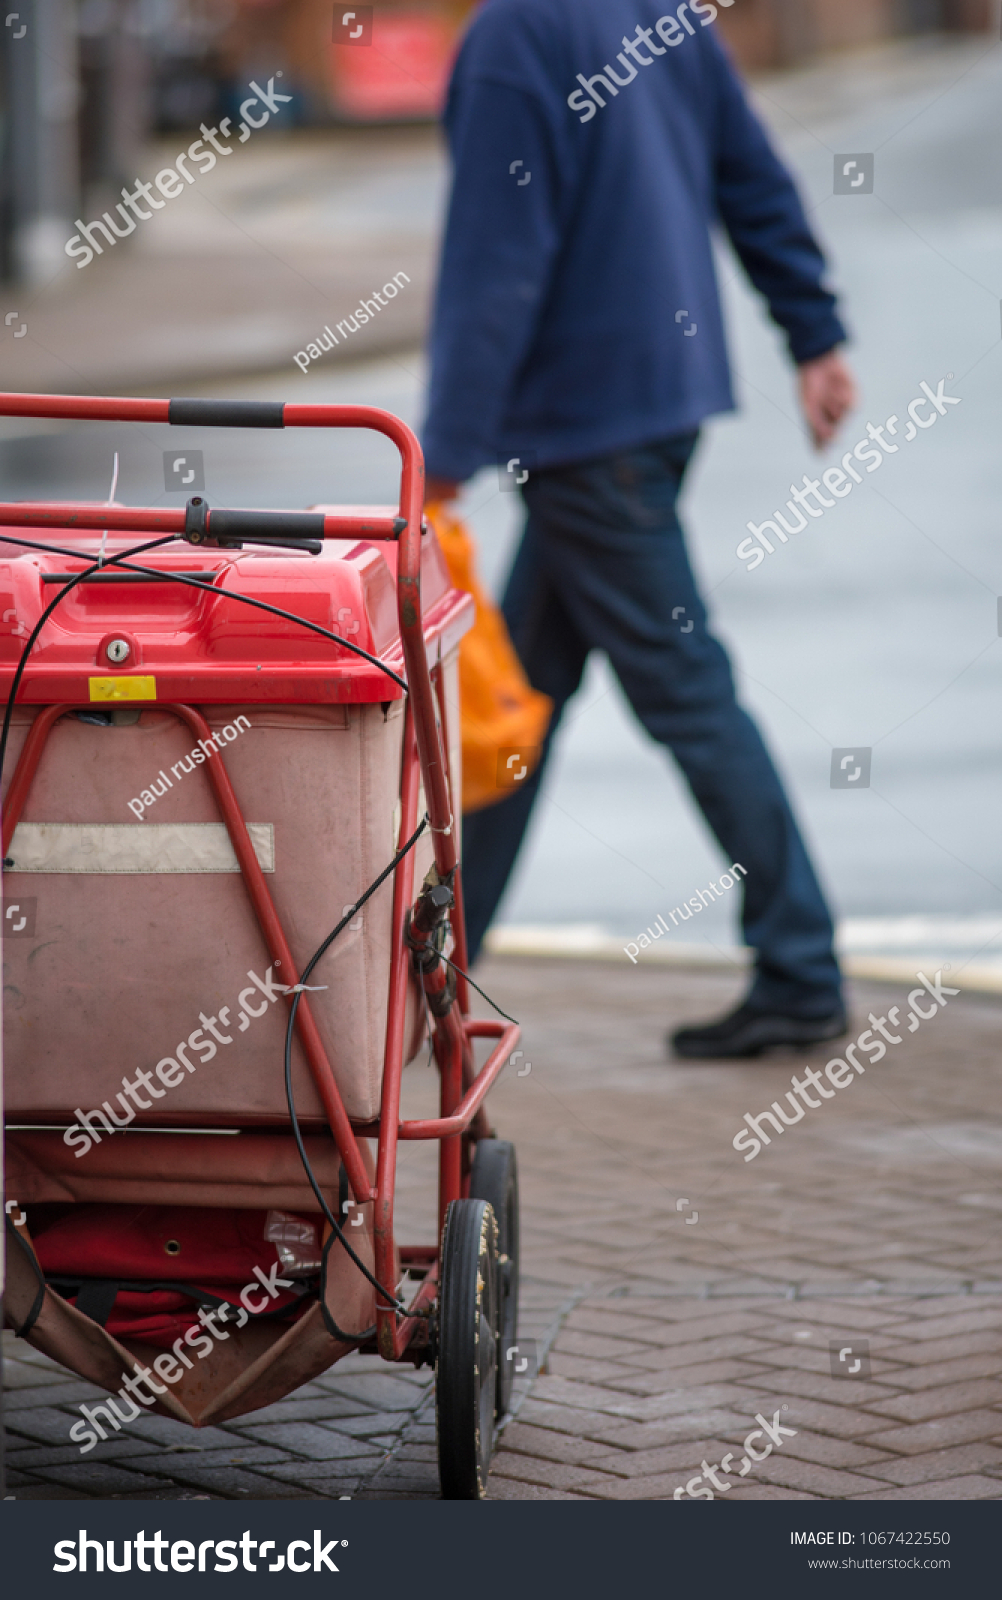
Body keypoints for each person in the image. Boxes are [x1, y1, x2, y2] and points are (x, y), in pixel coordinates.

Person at [422, 0, 857, 1060]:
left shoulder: (514, 38)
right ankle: (431, 968)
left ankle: (800, 967)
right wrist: (815, 330)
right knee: (520, 692)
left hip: (589, 431)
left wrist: (442, 457)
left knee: (685, 690)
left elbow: (496, 258)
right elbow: (750, 171)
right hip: (655, 409)